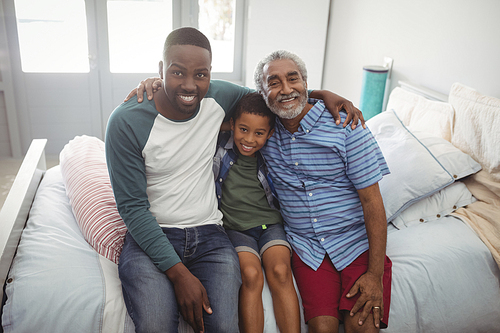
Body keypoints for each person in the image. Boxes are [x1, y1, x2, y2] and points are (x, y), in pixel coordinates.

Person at [109, 27, 363, 333]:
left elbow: (274, 99)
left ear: (210, 74)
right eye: (177, 73)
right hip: (151, 237)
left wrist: (324, 94)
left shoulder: (219, 95)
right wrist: (179, 274)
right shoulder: (126, 121)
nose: (190, 85)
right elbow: (132, 208)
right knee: (156, 325)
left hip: (210, 236)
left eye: (200, 74)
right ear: (160, 70)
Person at [253, 50, 392, 333]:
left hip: (356, 243)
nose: (286, 89)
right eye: (274, 82)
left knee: (362, 327)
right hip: (308, 249)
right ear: (263, 92)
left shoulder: (347, 126)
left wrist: (374, 275)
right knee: (321, 328)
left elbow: (372, 202)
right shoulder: (264, 132)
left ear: (305, 82)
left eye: (294, 79)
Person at [214, 92, 300, 333]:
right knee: (250, 274)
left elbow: (295, 110)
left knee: (281, 271)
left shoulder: (271, 151)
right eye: (243, 129)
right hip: (236, 229)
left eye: (259, 133)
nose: (249, 139)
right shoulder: (221, 144)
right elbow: (195, 121)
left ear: (270, 134)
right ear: (231, 125)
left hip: (270, 226)